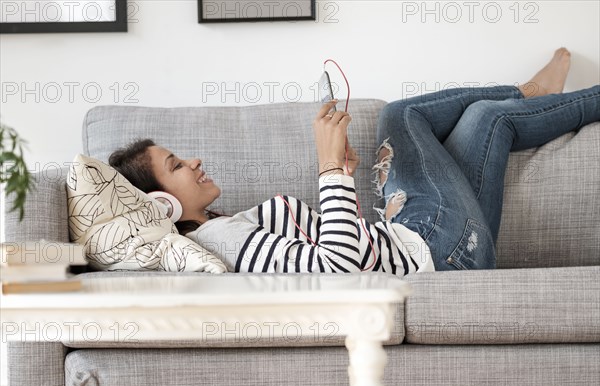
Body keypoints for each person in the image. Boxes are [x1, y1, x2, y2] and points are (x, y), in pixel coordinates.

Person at [108, 48, 600, 275]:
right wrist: (327, 170)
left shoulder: (223, 226)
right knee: (402, 114)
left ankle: (531, 96)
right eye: (175, 166)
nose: (193, 162)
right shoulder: (223, 241)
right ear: (162, 205)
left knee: (486, 121)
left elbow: (344, 246)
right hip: (436, 250)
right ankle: (533, 92)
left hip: (424, 240)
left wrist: (342, 172)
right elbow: (340, 267)